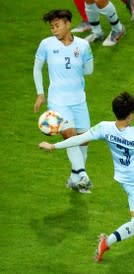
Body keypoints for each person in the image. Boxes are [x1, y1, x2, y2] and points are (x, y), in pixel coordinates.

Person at [39, 92, 134, 262]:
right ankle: (106, 242)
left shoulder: (105, 128)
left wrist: (53, 145)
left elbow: (79, 138)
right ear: (131, 114)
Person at [33, 9, 94, 193]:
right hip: (58, 101)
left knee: (83, 141)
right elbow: (37, 69)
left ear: (68, 24)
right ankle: (84, 175)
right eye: (52, 27)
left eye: (57, 26)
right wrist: (40, 93)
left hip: (79, 101)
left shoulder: (83, 45)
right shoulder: (46, 44)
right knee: (70, 136)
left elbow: (89, 70)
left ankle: (75, 179)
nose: (54, 30)